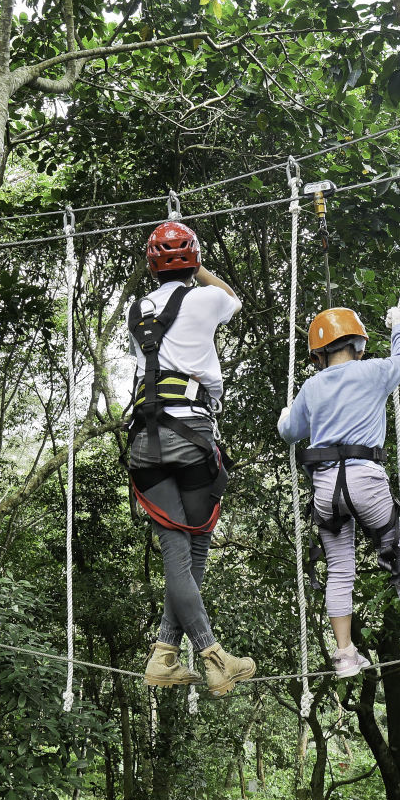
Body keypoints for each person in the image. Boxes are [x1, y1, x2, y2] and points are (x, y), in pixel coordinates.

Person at [277, 305, 400, 677]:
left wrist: (285, 415)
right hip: (366, 479)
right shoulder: (374, 372)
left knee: (341, 569)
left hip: (327, 488)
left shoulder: (311, 387)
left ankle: (344, 654)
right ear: (359, 345)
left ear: (317, 354)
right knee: (398, 555)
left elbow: (289, 433)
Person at [125, 221, 256, 697]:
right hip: (192, 434)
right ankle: (213, 655)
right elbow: (233, 298)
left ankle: (164, 653)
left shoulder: (134, 309)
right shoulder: (205, 297)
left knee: (178, 550)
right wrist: (199, 270)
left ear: (150, 262)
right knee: (193, 546)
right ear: (192, 259)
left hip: (145, 441)